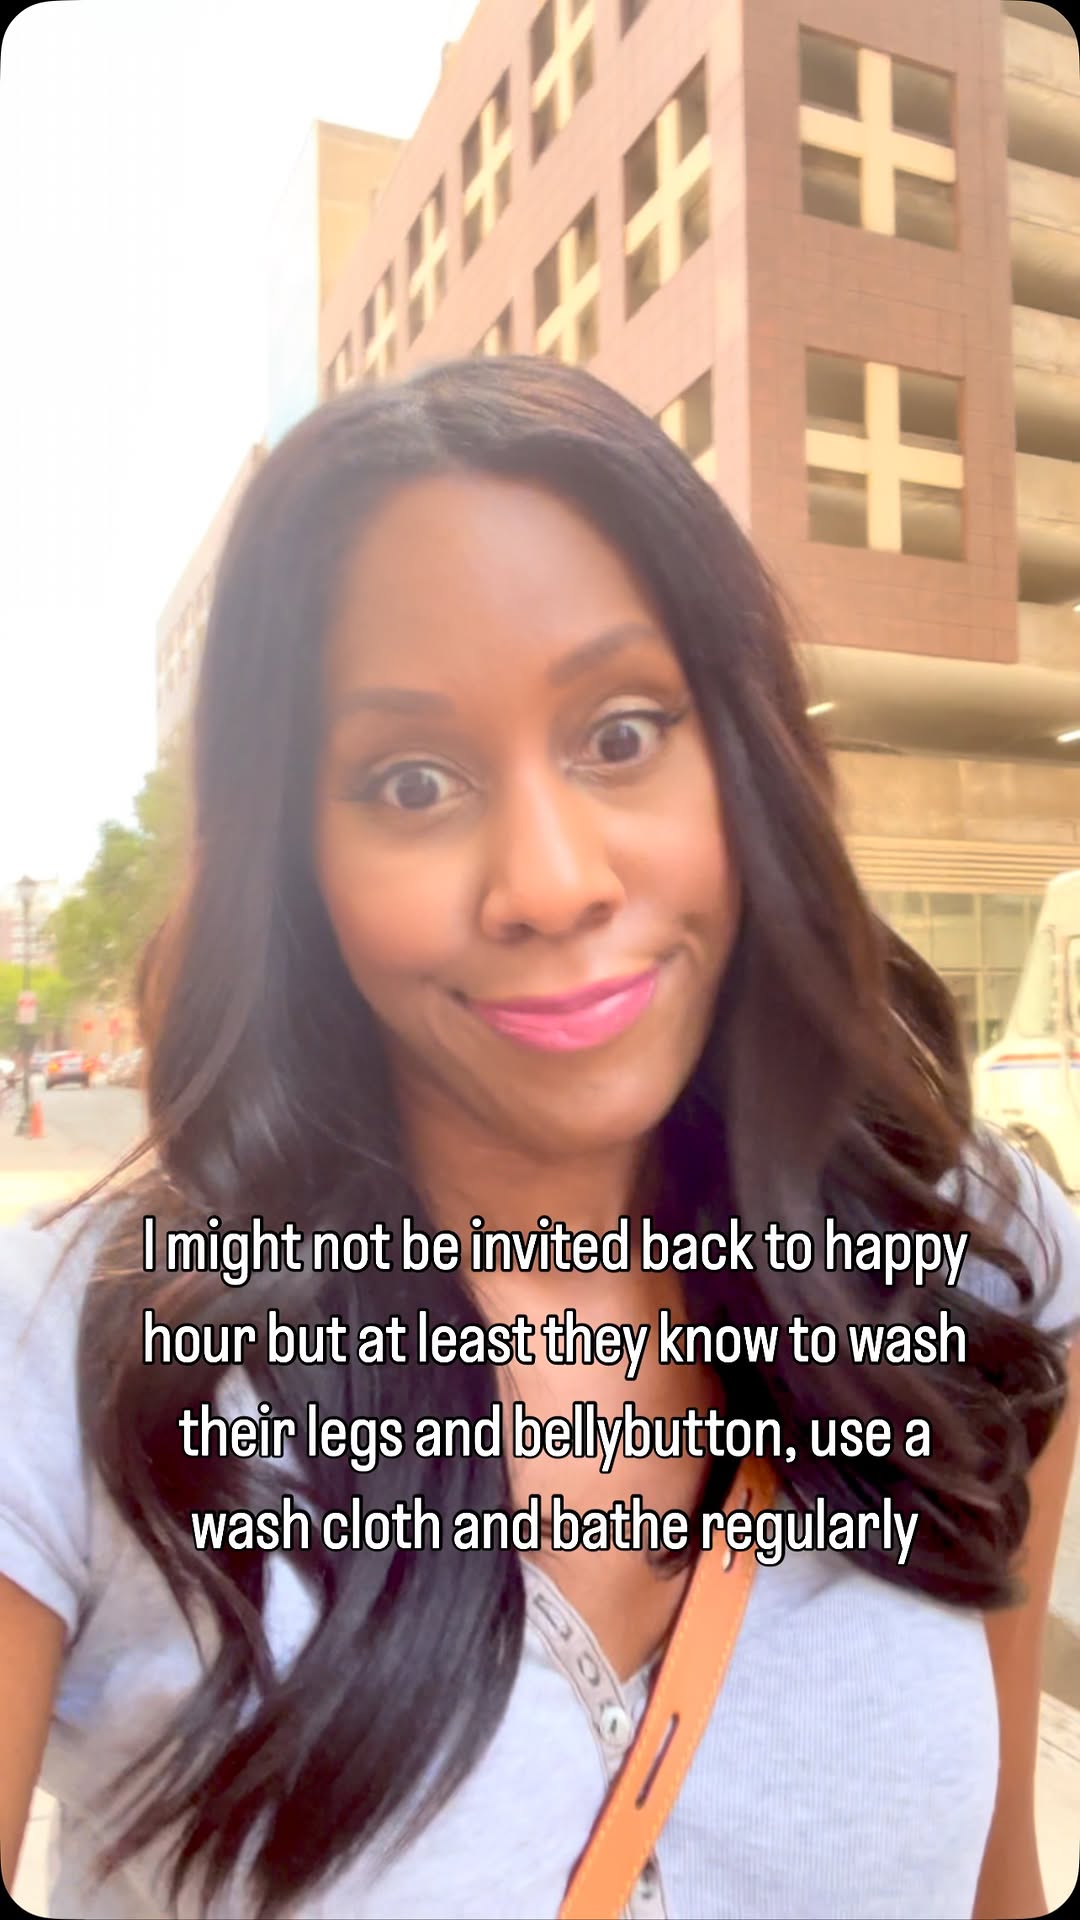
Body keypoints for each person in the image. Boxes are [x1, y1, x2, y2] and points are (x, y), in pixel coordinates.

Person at [1, 356, 1078, 1920]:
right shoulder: (67, 1365)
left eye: (622, 734)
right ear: (297, 859)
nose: (552, 882)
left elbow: (997, 1885)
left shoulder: (971, 1266)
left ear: (744, 753)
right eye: (412, 780)